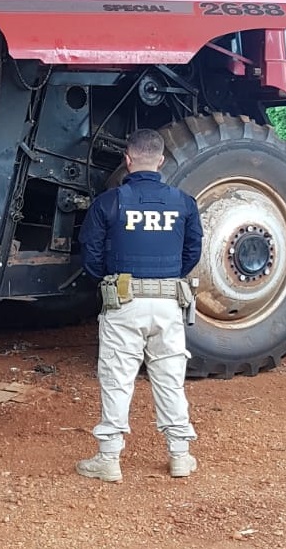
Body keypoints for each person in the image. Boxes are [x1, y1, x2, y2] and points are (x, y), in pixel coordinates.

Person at [76, 128, 202, 483]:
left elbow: (90, 253)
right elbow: (192, 251)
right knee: (170, 380)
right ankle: (179, 456)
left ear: (127, 159)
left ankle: (109, 459)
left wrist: (111, 279)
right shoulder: (184, 203)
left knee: (117, 380)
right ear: (161, 160)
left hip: (124, 301)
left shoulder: (109, 202)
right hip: (168, 302)